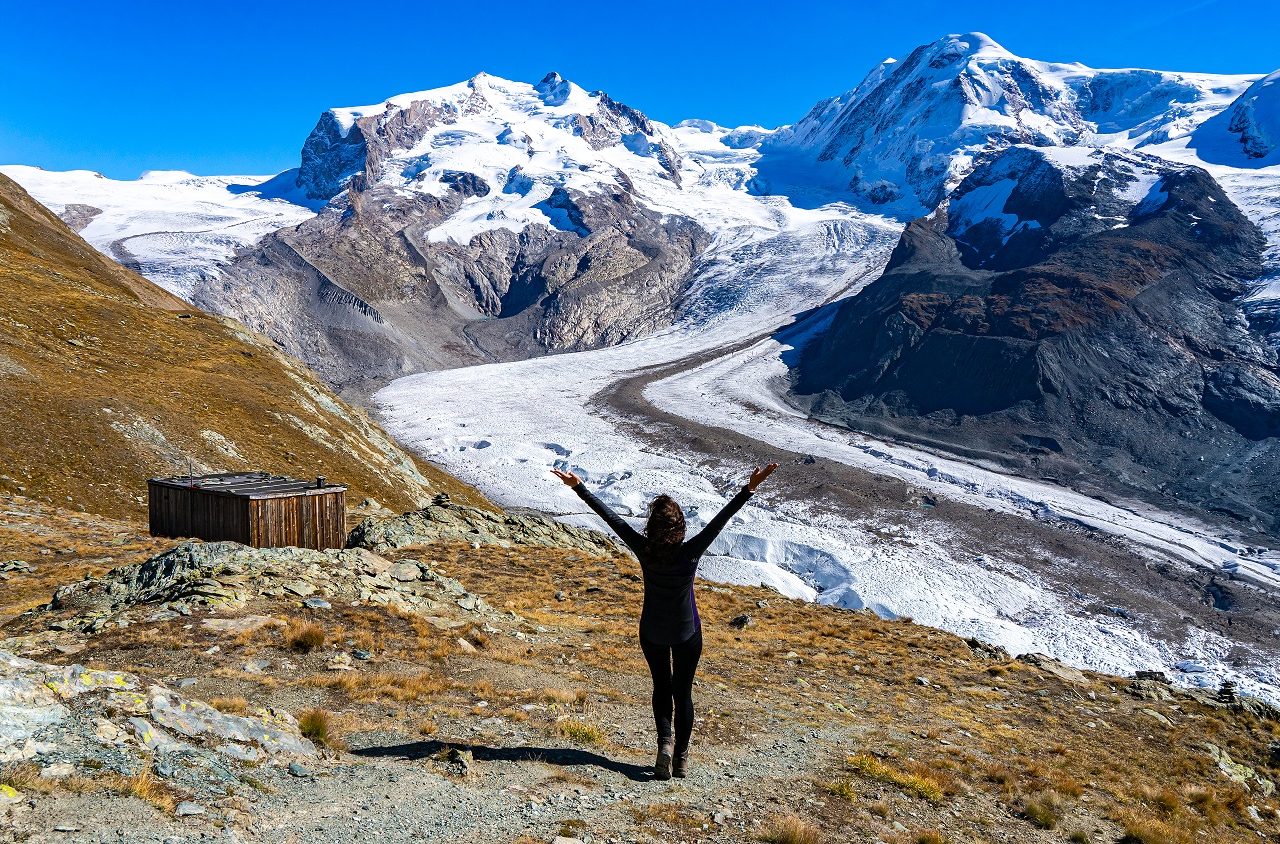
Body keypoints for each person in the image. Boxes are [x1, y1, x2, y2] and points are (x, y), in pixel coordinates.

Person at [551, 462, 780, 780]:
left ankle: (665, 747)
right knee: (683, 692)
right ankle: (681, 759)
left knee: (662, 687)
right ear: (680, 527)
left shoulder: (644, 549)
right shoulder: (691, 552)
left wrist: (579, 487)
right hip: (687, 632)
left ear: (652, 527)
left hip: (653, 631)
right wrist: (749, 488)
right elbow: (720, 521)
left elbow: (611, 518)